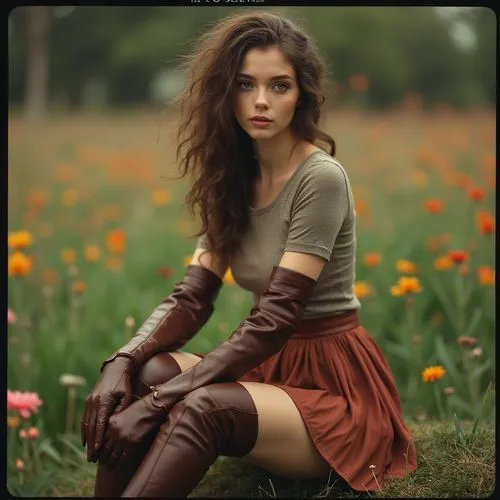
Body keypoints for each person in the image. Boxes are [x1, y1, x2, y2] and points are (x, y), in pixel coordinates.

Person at [81, 10, 417, 497]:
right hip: (270, 369)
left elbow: (275, 317)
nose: (260, 101)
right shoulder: (232, 175)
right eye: (245, 84)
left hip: (333, 387)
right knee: (148, 371)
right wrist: (120, 362)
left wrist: (156, 405)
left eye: (278, 86)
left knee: (202, 407)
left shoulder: (320, 178)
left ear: (301, 94)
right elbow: (191, 297)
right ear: (226, 92)